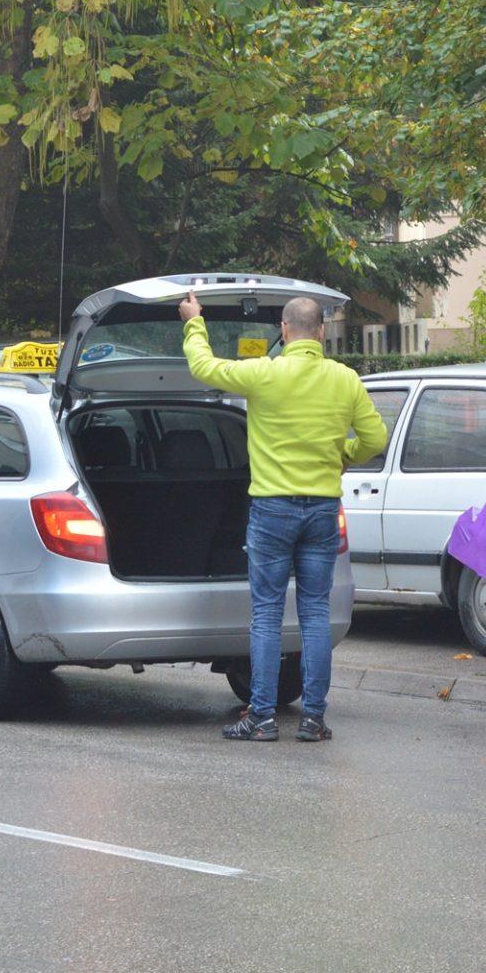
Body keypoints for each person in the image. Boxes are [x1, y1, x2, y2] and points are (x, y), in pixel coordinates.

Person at [179, 291, 387, 743]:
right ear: (323, 332)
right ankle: (313, 718)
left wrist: (195, 321)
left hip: (272, 508)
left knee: (268, 613)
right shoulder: (345, 379)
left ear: (285, 331)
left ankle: (263, 717)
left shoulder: (264, 374)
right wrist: (342, 458)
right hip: (321, 509)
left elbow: (204, 367)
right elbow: (375, 437)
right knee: (314, 612)